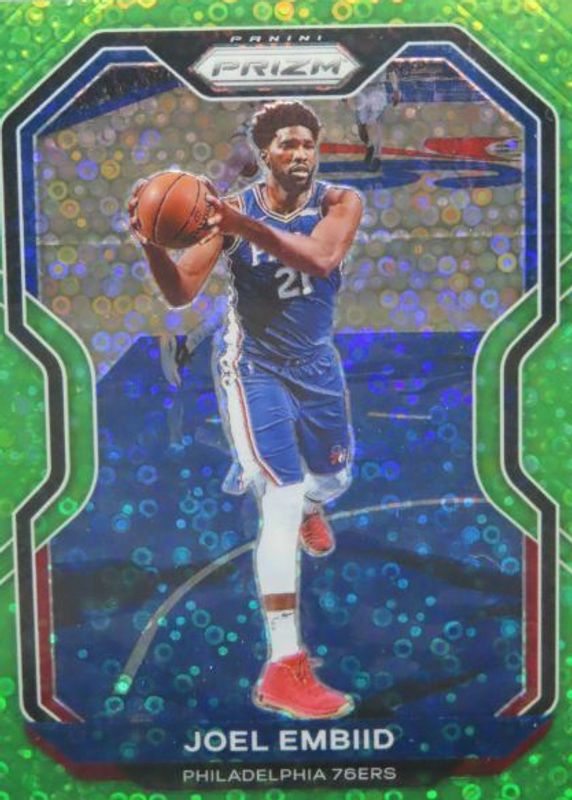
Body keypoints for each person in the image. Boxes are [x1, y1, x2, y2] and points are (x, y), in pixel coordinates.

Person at [128, 100, 363, 719]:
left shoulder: (341, 203)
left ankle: (315, 503)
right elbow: (181, 292)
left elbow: (319, 259)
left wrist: (237, 224)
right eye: (287, 144)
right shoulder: (227, 214)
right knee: (279, 498)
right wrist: (152, 244)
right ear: (266, 154)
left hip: (316, 364)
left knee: (333, 477)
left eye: (308, 143)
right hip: (254, 367)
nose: (300, 153)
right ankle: (284, 667)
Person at [354, 67, 401, 169]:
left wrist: (396, 90)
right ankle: (369, 146)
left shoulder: (383, 58)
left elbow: (391, 70)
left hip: (377, 90)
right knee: (361, 127)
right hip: (361, 90)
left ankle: (377, 157)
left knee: (374, 124)